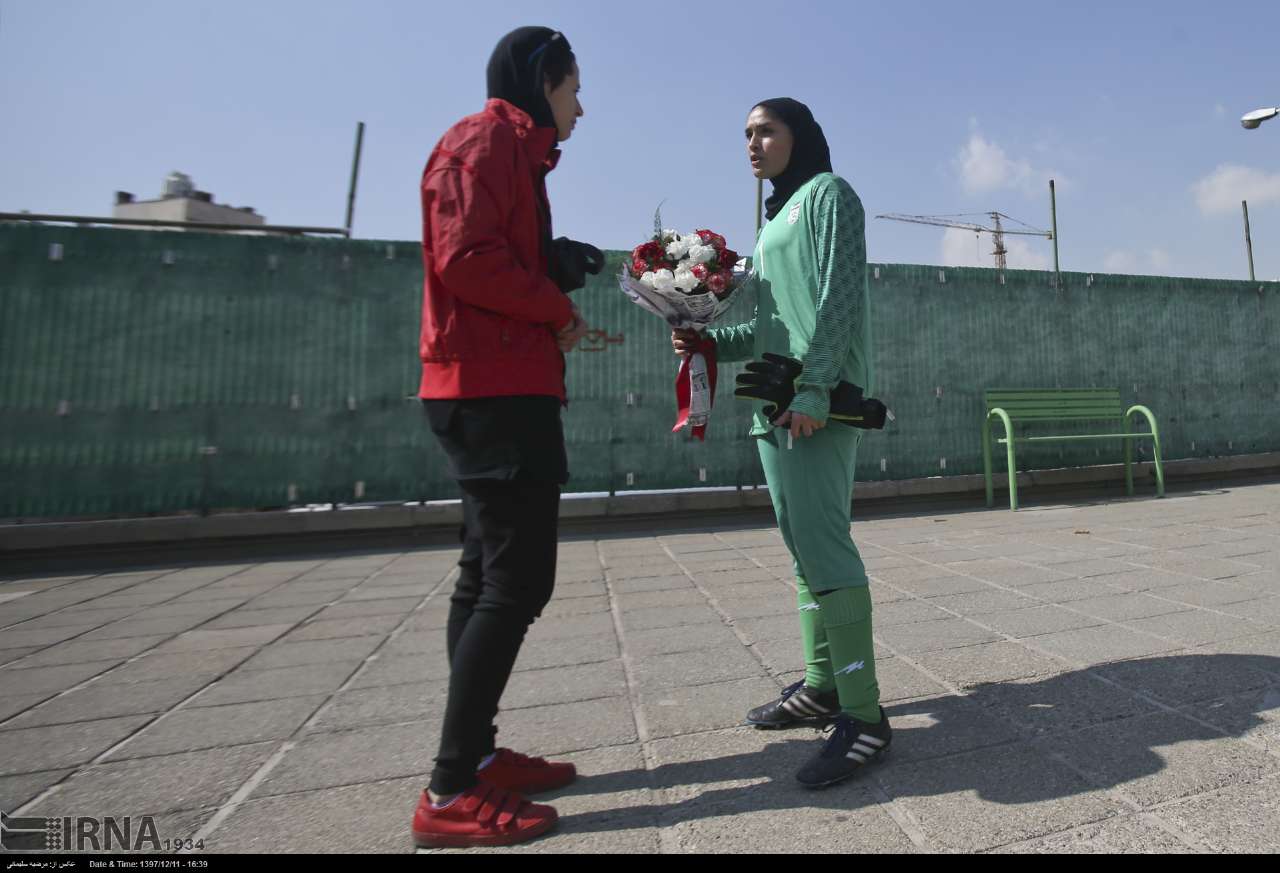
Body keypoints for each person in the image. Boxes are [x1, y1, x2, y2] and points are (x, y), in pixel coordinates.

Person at [412, 26, 602, 847]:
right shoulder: (484, 141)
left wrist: (554, 262)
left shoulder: (512, 156)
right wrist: (555, 307)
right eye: (572, 89)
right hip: (493, 390)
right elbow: (465, 259)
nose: (579, 108)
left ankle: (478, 757)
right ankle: (451, 788)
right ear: (539, 82)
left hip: (497, 382)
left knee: (484, 575)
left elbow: (492, 251)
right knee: (518, 582)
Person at [673, 98, 890, 789]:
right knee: (802, 550)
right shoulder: (772, 220)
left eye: (766, 130)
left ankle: (864, 715)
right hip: (775, 400)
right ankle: (824, 686)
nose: (753, 143)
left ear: (801, 134)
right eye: (746, 133)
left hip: (813, 404)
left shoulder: (830, 195)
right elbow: (771, 325)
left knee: (826, 548)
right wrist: (708, 340)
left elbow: (838, 298)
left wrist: (817, 388)